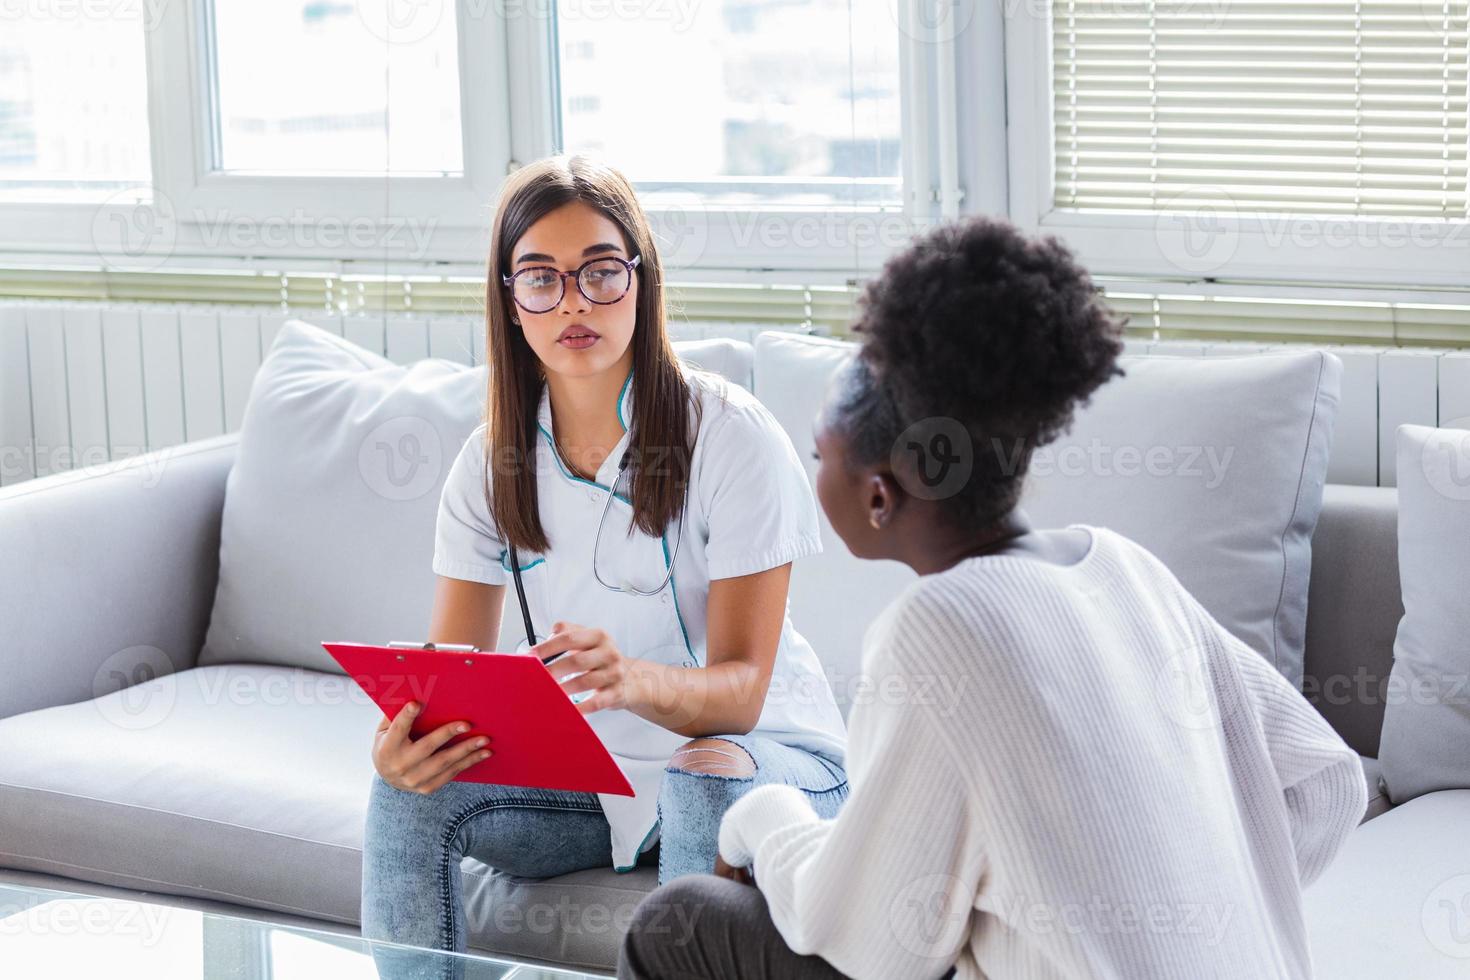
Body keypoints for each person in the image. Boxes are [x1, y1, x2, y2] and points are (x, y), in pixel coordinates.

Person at [618, 215, 1367, 980]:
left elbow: (878, 946)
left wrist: (762, 817)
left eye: (820, 455)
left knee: (680, 923)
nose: (814, 476)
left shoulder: (943, 626)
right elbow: (1328, 783)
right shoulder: (1127, 570)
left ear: (881, 494)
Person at [359, 155, 849, 966]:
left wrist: (632, 681)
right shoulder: (490, 464)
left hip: (764, 760)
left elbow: (742, 692)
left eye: (601, 272)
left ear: (642, 281)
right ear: (510, 300)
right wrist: (407, 742)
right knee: (409, 788)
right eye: (542, 279)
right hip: (596, 782)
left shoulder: (732, 436)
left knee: (702, 769)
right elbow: (456, 678)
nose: (575, 301)